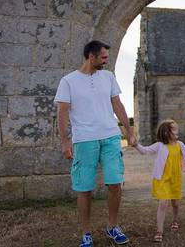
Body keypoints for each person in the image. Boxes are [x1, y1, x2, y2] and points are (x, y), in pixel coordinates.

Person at [54, 40, 136, 247]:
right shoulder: (68, 81)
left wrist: (129, 130)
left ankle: (112, 226)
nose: (106, 61)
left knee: (115, 183)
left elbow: (117, 104)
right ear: (91, 56)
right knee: (84, 188)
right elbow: (62, 113)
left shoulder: (108, 77)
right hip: (84, 140)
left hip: (110, 136)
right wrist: (65, 142)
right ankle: (86, 234)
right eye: (104, 57)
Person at [131, 119, 185, 243]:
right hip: (162, 180)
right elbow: (145, 150)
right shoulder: (160, 146)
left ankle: (175, 220)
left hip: (175, 179)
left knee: (175, 204)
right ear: (167, 132)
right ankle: (159, 231)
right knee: (163, 204)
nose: (177, 130)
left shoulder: (180, 145)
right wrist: (136, 145)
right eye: (174, 129)